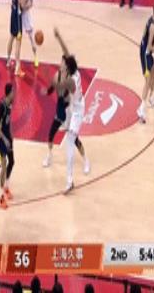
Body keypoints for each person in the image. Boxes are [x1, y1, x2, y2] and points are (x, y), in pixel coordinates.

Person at [53, 28, 90, 194]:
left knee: (70, 141)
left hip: (78, 110)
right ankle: (82, 163)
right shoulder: (75, 70)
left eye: (64, 64)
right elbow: (66, 51)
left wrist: (53, 81)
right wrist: (59, 37)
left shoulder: (72, 81)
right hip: (71, 107)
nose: (62, 64)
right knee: (71, 139)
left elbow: (60, 88)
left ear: (68, 68)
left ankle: (70, 180)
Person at [42, 55, 87, 168]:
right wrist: (46, 92)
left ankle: (85, 159)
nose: (60, 63)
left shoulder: (70, 79)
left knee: (75, 140)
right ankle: (49, 156)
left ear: (66, 66)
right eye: (61, 61)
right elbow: (52, 88)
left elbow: (67, 94)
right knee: (51, 134)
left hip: (68, 112)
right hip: (60, 110)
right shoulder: (57, 75)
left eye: (62, 62)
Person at [137, 4, 154, 123]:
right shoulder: (152, 27)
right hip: (145, 53)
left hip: (146, 52)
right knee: (147, 81)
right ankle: (141, 109)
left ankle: (151, 98)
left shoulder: (150, 20)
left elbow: (144, 36)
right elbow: (149, 46)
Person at [6, 0, 31, 76]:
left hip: (12, 13)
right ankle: (17, 68)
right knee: (18, 42)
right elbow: (23, 6)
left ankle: (8, 60)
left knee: (11, 37)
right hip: (17, 17)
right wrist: (28, 4)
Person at [0, 83, 15, 209]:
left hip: (7, 136)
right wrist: (4, 139)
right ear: (9, 93)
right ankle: (1, 197)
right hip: (1, 138)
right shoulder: (1, 106)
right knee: (3, 166)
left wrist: (11, 134)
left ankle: (6, 187)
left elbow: (8, 121)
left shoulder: (10, 103)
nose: (14, 93)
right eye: (13, 91)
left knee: (12, 162)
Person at [22, 0, 38, 68]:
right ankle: (14, 59)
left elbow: (31, 3)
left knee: (31, 37)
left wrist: (25, 7)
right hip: (19, 15)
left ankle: (35, 57)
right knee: (17, 37)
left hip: (26, 15)